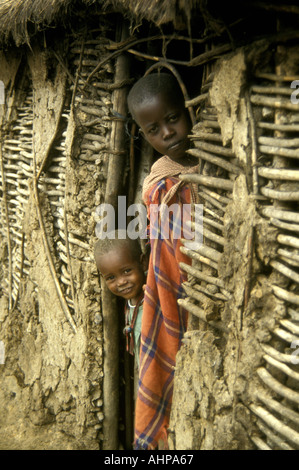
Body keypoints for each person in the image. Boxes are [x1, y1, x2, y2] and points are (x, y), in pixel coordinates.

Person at [127, 72, 199, 450]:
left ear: (190, 108)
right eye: (154, 129)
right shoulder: (161, 185)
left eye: (173, 118)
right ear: (143, 135)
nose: (168, 133)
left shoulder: (211, 166)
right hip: (172, 295)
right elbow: (170, 256)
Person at [94, 231, 148, 370]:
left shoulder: (153, 301)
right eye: (111, 278)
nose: (121, 282)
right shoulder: (131, 304)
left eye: (126, 271)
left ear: (143, 263)